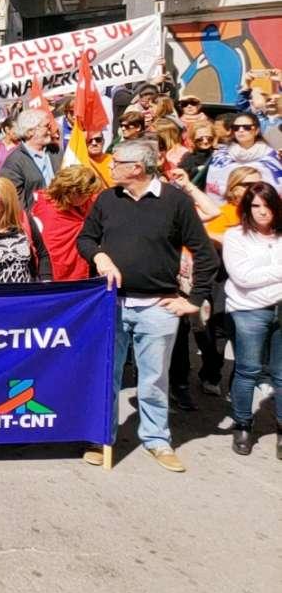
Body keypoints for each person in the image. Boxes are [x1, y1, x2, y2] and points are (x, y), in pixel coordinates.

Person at [76, 139, 219, 473]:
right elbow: (85, 239)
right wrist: (99, 256)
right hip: (111, 304)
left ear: (137, 168)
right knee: (107, 375)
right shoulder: (107, 199)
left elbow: (205, 253)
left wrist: (193, 300)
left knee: (153, 378)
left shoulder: (175, 202)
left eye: (116, 163)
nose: (110, 167)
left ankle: (157, 439)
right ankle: (101, 437)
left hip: (158, 308)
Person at [221, 182, 282, 457]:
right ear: (247, 208)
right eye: (255, 205)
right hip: (249, 310)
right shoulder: (236, 236)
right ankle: (243, 424)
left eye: (267, 205)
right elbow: (243, 277)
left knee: (280, 374)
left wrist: (267, 274)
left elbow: (254, 275)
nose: (262, 211)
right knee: (248, 370)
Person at [30, 166, 105, 281]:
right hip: (54, 272)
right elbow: (45, 248)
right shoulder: (45, 207)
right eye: (85, 194)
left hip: (82, 271)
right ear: (71, 191)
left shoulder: (88, 203)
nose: (88, 197)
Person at [205, 111, 282, 202]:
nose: (241, 130)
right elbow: (214, 185)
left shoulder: (271, 156)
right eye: (236, 128)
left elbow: (276, 188)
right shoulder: (221, 155)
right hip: (226, 206)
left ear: (256, 130)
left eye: (246, 127)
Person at [0, 109, 62, 210]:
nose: (50, 130)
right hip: (37, 218)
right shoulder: (14, 163)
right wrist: (32, 219)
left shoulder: (55, 151)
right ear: (30, 132)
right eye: (47, 126)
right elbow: (17, 204)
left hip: (63, 214)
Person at [177, 121, 218, 190]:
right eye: (200, 139)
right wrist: (196, 170)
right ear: (193, 139)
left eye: (209, 138)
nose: (205, 141)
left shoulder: (218, 155)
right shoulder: (188, 157)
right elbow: (180, 176)